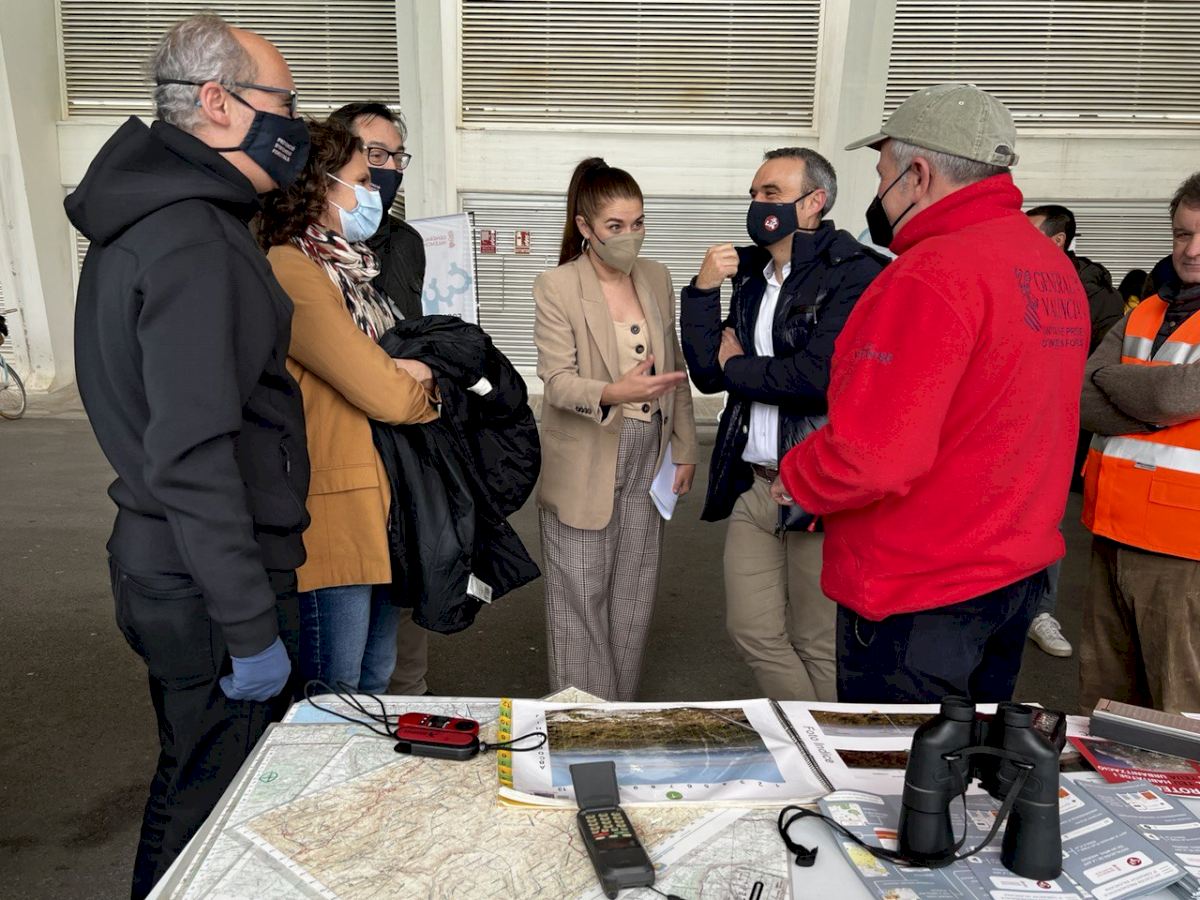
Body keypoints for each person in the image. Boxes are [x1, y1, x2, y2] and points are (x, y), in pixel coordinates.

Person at [65, 14, 311, 897]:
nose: (299, 126)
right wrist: (249, 627)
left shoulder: (152, 219)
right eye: (286, 104)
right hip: (209, 581)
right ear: (217, 102)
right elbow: (195, 456)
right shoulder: (195, 241)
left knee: (196, 773)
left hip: (170, 562)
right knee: (212, 799)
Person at [776, 83, 1089, 703]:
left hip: (918, 591)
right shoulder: (1050, 267)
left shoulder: (930, 274)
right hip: (1012, 575)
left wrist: (797, 475)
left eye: (882, 175)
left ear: (917, 175)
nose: (879, 193)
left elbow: (874, 454)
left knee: (898, 761)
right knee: (970, 753)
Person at [679, 148, 886, 701]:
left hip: (818, 487)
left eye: (771, 193)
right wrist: (702, 292)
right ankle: (815, 735)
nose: (758, 204)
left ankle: (826, 746)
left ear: (814, 201)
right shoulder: (752, 276)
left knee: (817, 640)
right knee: (752, 631)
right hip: (755, 484)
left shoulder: (855, 273)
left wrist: (738, 366)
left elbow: (817, 378)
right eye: (754, 193)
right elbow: (707, 373)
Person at [257, 119, 438, 695]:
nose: (374, 191)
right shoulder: (292, 269)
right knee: (335, 695)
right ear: (320, 185)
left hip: (376, 500)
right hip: (332, 509)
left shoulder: (353, 268)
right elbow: (383, 391)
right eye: (361, 179)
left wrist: (408, 373)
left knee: (374, 680)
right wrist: (421, 380)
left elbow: (387, 372)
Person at [533, 157, 698, 701]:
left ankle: (619, 716)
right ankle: (583, 720)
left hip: (650, 451)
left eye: (638, 222)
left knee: (633, 592)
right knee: (580, 596)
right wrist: (611, 392)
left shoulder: (655, 276)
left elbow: (674, 367)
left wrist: (685, 446)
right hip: (587, 451)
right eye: (615, 226)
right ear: (585, 227)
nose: (631, 236)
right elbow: (557, 381)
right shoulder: (557, 285)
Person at [1079, 172, 1200, 714]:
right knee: (1104, 705)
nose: (1190, 251)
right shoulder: (1147, 310)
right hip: (1110, 530)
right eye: (1182, 234)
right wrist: (1154, 408)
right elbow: (1081, 398)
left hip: (1184, 548)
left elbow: (1178, 394)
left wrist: (1121, 383)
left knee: (1177, 711)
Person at [328, 101, 432, 695]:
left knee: (392, 638)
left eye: (396, 158)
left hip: (398, 453)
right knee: (340, 665)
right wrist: (409, 382)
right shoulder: (299, 255)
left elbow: (409, 336)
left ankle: (405, 710)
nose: (387, 171)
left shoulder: (405, 242)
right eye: (373, 159)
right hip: (342, 463)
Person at [1022, 203, 1126, 658]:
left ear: (1058, 240)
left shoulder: (1096, 298)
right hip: (1011, 421)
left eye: (1030, 232)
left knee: (1046, 519)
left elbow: (1106, 371)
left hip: (1059, 425)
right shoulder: (1016, 277)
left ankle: (1040, 612)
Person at [328, 102, 424, 320]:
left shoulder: (407, 241)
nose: (392, 168)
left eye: (398, 158)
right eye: (377, 155)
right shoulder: (296, 243)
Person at [1026, 205, 1124, 353]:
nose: (1020, 243)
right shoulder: (1020, 285)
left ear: (1058, 240)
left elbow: (1104, 357)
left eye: (1029, 236)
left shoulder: (1098, 295)